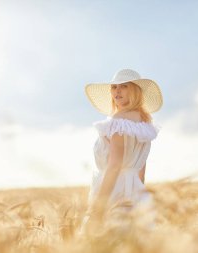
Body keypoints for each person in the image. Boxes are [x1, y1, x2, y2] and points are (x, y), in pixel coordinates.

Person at [80, 68, 163, 234]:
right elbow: (141, 168)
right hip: (136, 190)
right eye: (114, 87)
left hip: (114, 189)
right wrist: (138, 194)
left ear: (134, 90)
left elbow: (114, 166)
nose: (117, 91)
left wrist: (99, 210)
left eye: (124, 86)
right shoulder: (144, 122)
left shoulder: (119, 120)